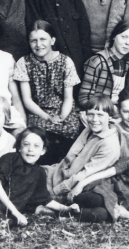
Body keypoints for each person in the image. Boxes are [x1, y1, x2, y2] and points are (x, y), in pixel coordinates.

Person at [14, 21, 82, 157]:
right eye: (33, 41)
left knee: (71, 129)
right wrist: (47, 117)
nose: (38, 45)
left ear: (52, 40)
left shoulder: (65, 61)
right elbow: (27, 100)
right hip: (38, 111)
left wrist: (62, 116)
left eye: (43, 39)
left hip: (62, 109)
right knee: (37, 133)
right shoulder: (24, 62)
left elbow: (69, 97)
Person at [43, 96, 121, 200]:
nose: (94, 119)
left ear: (110, 117)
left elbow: (84, 175)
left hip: (68, 187)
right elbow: (71, 156)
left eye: (100, 115)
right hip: (58, 173)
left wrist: (56, 191)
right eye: (90, 114)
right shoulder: (90, 129)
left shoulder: (109, 144)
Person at [26, 0, 92, 73]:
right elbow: (34, 30)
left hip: (75, 61)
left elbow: (84, 29)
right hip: (47, 62)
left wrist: (84, 59)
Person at [78, 22, 129, 109]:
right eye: (124, 37)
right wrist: (108, 110)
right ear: (114, 36)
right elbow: (84, 99)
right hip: (99, 111)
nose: (128, 43)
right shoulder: (97, 61)